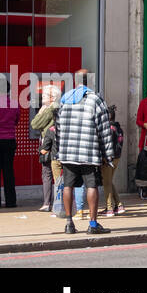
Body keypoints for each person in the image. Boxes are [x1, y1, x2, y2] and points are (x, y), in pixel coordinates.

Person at [55, 69, 116, 235]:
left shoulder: (65, 98)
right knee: (91, 185)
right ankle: (93, 224)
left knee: (68, 185)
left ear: (75, 80)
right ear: (90, 80)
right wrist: (108, 154)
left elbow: (58, 128)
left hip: (68, 152)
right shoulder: (95, 99)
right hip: (89, 151)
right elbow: (104, 129)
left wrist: (59, 150)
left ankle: (69, 224)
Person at [32, 84, 62, 212]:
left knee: (47, 172)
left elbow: (35, 124)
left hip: (48, 143)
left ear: (52, 97)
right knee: (53, 172)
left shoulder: (50, 109)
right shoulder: (57, 107)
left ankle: (47, 203)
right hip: (56, 143)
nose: (42, 96)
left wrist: (41, 113)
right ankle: (54, 202)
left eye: (44, 95)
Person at [0, 75, 20, 209]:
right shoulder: (14, 102)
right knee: (9, 172)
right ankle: (11, 201)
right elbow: (16, 120)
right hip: (10, 140)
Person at [100, 104, 126, 217]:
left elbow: (107, 145)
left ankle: (109, 208)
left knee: (106, 183)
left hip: (108, 159)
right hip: (117, 157)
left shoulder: (108, 129)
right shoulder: (118, 127)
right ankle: (119, 205)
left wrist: (104, 157)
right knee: (109, 181)